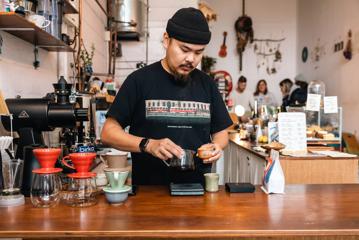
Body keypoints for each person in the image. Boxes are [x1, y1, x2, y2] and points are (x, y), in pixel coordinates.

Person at [101, 7, 232, 185]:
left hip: (197, 193)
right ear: (166, 40)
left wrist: (217, 146)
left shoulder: (207, 84)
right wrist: (148, 145)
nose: (191, 59)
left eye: (198, 52)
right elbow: (108, 133)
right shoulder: (139, 80)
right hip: (149, 195)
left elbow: (221, 133)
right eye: (184, 49)